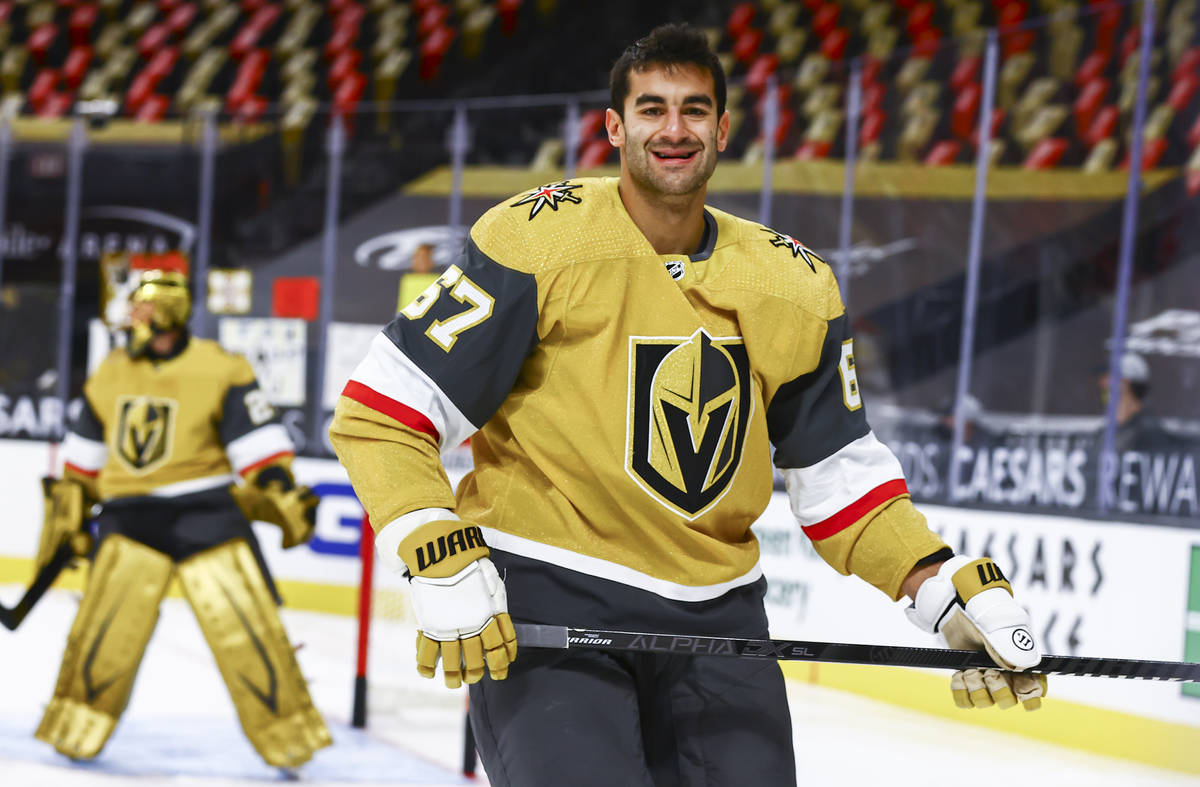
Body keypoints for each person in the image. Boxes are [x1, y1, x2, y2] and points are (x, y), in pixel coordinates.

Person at [329, 24, 1045, 787]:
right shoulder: (536, 242)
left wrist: (938, 587)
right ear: (614, 126)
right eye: (652, 109)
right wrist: (430, 535)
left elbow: (842, 479)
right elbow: (383, 410)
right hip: (553, 607)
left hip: (720, 626)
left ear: (723, 129)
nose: (674, 130)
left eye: (695, 110)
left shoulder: (793, 284)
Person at [33, 263, 331, 770]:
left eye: (143, 308)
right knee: (102, 638)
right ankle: (75, 727)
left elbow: (260, 449)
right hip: (130, 518)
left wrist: (277, 488)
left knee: (251, 636)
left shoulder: (221, 366)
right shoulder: (111, 372)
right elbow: (80, 465)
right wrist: (69, 521)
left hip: (207, 515)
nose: (134, 317)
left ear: (168, 313)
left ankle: (289, 738)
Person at [396, 242, 441, 314]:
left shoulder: (439, 280)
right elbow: (402, 308)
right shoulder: (407, 280)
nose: (421, 261)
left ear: (431, 261)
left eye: (425, 257)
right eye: (418, 257)